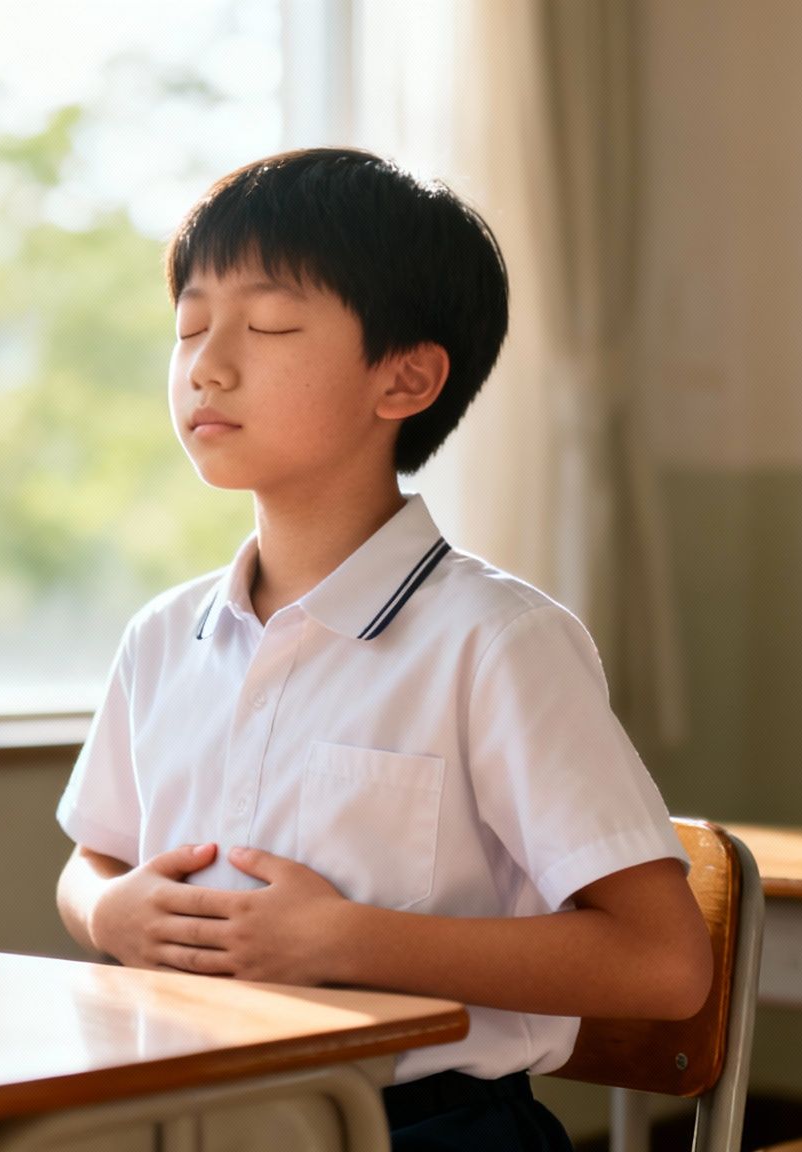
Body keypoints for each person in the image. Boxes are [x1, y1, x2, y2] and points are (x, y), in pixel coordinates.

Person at [51, 147, 712, 1150]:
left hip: (428, 1128)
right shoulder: (160, 638)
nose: (206, 364)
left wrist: (347, 941)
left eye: (267, 324)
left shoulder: (497, 643)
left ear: (404, 378)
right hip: (192, 1117)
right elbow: (89, 856)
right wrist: (106, 914)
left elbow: (661, 965)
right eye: (188, 325)